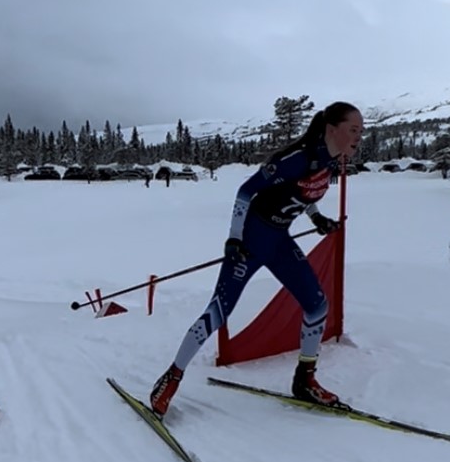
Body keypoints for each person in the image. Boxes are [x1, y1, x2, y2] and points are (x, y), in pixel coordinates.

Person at [149, 101, 364, 416]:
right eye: (354, 130)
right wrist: (235, 238)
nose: (359, 136)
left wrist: (317, 218)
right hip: (251, 241)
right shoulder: (297, 159)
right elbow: (245, 191)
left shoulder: (328, 161)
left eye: (362, 130)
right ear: (332, 129)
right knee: (218, 313)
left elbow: (301, 194)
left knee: (317, 305)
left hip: (278, 240)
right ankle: (171, 377)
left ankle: (305, 380)